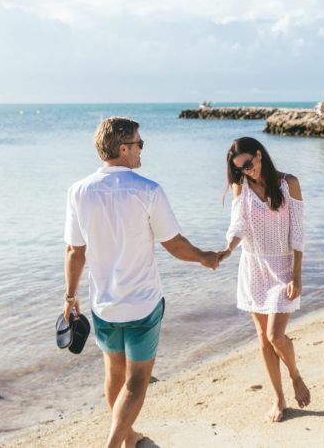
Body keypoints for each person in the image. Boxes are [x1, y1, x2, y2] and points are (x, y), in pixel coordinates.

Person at [63, 116, 220, 448]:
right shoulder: (148, 190)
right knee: (136, 380)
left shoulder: (79, 191)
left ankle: (129, 438)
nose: (141, 151)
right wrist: (205, 256)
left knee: (114, 375)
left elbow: (75, 250)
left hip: (103, 304)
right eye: (139, 144)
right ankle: (113, 443)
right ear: (123, 148)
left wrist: (69, 296)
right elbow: (174, 244)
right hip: (143, 304)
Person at [220, 137, 311, 422]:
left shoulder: (288, 183)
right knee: (263, 338)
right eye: (240, 169)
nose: (247, 172)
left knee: (275, 336)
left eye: (249, 164)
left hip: (282, 267)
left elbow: (298, 233)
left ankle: (295, 375)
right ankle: (278, 398)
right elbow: (238, 224)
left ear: (259, 155)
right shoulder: (242, 187)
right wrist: (227, 249)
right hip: (253, 267)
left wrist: (297, 275)